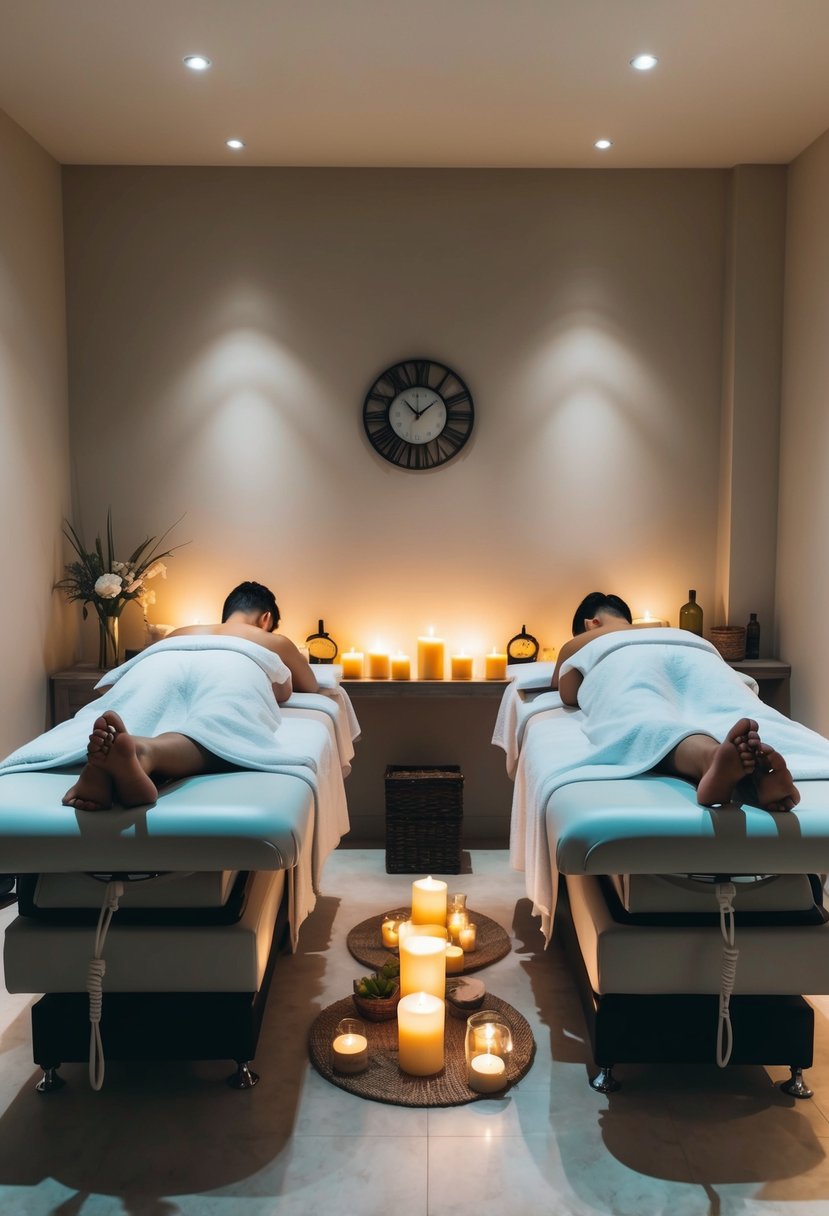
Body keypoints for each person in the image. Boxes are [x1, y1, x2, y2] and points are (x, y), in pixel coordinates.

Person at [60, 580, 318, 813]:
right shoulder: (268, 639)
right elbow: (308, 684)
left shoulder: (182, 632)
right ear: (266, 619)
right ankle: (145, 752)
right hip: (232, 668)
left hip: (159, 663)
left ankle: (106, 769)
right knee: (213, 727)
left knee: (140, 712)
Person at [552, 591, 800, 814]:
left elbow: (566, 690)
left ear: (591, 623)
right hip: (699, 655)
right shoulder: (672, 630)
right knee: (732, 708)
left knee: (644, 712)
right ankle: (755, 774)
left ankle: (709, 757)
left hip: (623, 660)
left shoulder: (590, 637)